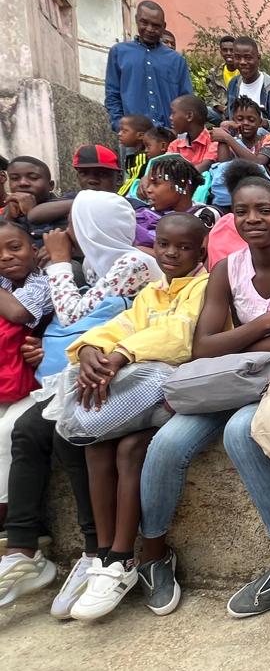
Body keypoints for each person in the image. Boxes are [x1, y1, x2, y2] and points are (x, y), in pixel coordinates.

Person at [138, 175, 270, 619]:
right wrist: (261, 327)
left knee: (243, 432)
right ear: (232, 217)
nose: (253, 219)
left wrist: (239, 344)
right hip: (237, 380)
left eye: (264, 210)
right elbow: (203, 347)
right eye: (242, 211)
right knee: (167, 444)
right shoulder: (227, 269)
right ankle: (152, 555)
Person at [0, 192, 160, 616]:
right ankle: (23, 549)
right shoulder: (94, 265)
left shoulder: (134, 264)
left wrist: (55, 261)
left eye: (75, 223)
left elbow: (72, 314)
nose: (66, 233)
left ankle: (97, 550)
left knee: (72, 434)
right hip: (78, 372)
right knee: (27, 431)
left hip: (125, 373)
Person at [61, 214, 210, 620]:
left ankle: (125, 557)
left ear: (201, 250)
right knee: (95, 444)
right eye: (164, 245)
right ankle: (105, 556)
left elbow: (182, 336)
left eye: (183, 247)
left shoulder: (205, 286)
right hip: (137, 395)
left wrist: (122, 354)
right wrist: (91, 350)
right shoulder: (152, 292)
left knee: (129, 449)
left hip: (177, 393)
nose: (172, 253)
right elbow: (119, 325)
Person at [0, 220, 52, 557]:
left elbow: (19, 313)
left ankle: (6, 514)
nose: (6, 257)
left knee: (9, 432)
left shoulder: (42, 284)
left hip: (32, 382)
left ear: (34, 250)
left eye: (14, 248)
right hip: (6, 380)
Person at [104, 1, 192, 132]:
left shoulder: (176, 60)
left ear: (164, 27)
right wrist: (119, 125)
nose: (150, 29)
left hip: (168, 137)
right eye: (144, 22)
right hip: (134, 138)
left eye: (156, 25)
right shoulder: (119, 53)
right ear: (136, 20)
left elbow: (186, 100)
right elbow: (112, 95)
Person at [134, 155, 218, 248]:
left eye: (155, 184)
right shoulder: (142, 217)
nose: (148, 190)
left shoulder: (205, 216)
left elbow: (195, 257)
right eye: (148, 184)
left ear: (183, 185)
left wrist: (139, 250)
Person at [225, 37, 270, 139]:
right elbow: (229, 116)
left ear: (258, 58)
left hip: (266, 144)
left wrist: (262, 123)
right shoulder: (234, 84)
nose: (242, 62)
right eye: (237, 57)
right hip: (236, 140)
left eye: (248, 57)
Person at [212, 96, 270, 171]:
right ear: (233, 121)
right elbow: (224, 165)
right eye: (240, 119)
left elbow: (258, 163)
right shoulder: (234, 141)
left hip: (261, 181)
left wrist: (227, 138)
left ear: (260, 122)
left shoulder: (269, 140)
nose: (246, 123)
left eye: (251, 120)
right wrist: (224, 129)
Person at [164, 95, 214, 173]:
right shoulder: (175, 145)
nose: (170, 117)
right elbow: (166, 168)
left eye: (173, 113)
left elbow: (205, 166)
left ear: (189, 116)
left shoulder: (213, 140)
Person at [117, 114, 153, 195]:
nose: (119, 134)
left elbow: (133, 180)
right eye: (120, 130)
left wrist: (120, 196)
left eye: (124, 131)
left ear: (140, 136)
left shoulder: (143, 157)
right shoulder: (133, 156)